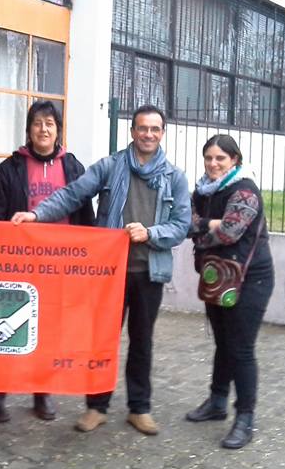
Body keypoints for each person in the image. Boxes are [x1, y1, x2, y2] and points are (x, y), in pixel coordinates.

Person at [12, 104, 191, 436]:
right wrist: (37, 214)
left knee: (142, 342)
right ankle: (96, 407)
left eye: (154, 129)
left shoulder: (174, 177)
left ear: (162, 133)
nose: (148, 134)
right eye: (142, 128)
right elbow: (72, 194)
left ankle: (139, 409)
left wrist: (151, 233)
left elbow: (181, 225)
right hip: (109, 274)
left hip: (149, 272)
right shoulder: (110, 166)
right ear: (132, 131)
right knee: (101, 342)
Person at [0, 100, 94, 423]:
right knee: (4, 330)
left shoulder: (73, 167)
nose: (43, 129)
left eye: (49, 123)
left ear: (58, 130)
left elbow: (85, 217)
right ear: (29, 130)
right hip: (16, 266)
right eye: (37, 123)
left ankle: (42, 393)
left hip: (58, 268)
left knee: (48, 333)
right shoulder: (11, 167)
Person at [185, 134, 274, 449]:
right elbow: (186, 223)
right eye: (209, 158)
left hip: (250, 280)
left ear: (234, 160)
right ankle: (217, 402)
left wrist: (203, 227)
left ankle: (245, 418)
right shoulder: (202, 191)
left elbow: (229, 232)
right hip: (217, 277)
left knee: (241, 349)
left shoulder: (245, 190)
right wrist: (210, 225)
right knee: (223, 343)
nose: (213, 164)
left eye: (220, 158)